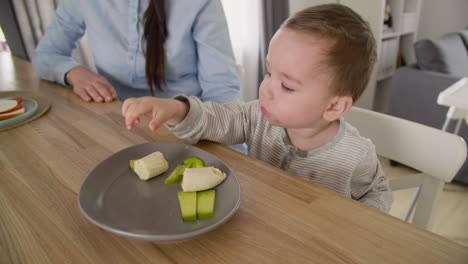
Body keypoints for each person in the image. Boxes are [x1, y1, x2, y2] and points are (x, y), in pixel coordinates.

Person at [121, 4, 394, 212]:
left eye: (286, 86)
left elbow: (378, 193)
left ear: (334, 107)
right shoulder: (256, 117)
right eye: (268, 73)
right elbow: (218, 118)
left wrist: (356, 228)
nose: (265, 89)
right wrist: (177, 109)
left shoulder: (356, 155)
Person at [32, 0, 240, 103]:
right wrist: (74, 73)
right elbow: (46, 54)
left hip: (185, 124)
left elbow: (221, 91)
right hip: (114, 118)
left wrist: (233, 158)